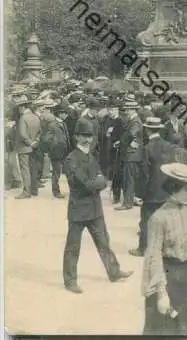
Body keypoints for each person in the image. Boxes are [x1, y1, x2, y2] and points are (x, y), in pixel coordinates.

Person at [62, 118, 133, 294]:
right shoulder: (71, 159)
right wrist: (98, 182)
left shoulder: (90, 156)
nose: (87, 139)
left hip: (94, 209)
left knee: (104, 243)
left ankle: (114, 272)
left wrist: (97, 181)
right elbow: (86, 183)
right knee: (73, 247)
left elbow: (100, 178)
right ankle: (70, 281)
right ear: (76, 137)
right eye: (83, 136)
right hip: (78, 210)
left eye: (89, 136)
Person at [142, 163, 187, 335]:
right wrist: (161, 293)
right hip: (168, 278)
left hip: (186, 277)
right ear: (174, 189)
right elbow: (153, 256)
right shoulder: (158, 218)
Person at [129, 117, 187, 257]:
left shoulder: (146, 148)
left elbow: (144, 174)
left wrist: (139, 194)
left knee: (146, 220)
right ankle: (165, 248)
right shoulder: (169, 146)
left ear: (147, 130)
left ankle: (143, 248)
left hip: (151, 192)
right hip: (166, 190)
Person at [117, 98, 144, 210]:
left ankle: (127, 203)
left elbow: (131, 134)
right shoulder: (133, 120)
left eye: (128, 110)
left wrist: (122, 142)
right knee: (130, 179)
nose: (126, 112)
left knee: (129, 180)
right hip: (131, 154)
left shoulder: (136, 121)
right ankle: (130, 200)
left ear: (133, 110)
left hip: (131, 155)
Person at [15, 95, 41, 199]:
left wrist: (30, 143)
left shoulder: (23, 118)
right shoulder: (36, 117)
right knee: (33, 169)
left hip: (24, 148)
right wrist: (36, 142)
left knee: (25, 169)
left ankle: (26, 191)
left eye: (19, 108)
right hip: (35, 147)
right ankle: (34, 190)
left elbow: (22, 134)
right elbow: (40, 132)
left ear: (22, 107)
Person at [45, 103, 71, 198]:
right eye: (65, 113)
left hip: (64, 152)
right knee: (56, 174)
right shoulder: (52, 125)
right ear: (59, 113)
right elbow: (47, 139)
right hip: (56, 153)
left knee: (69, 171)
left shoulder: (63, 123)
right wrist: (55, 146)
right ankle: (56, 191)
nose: (66, 115)